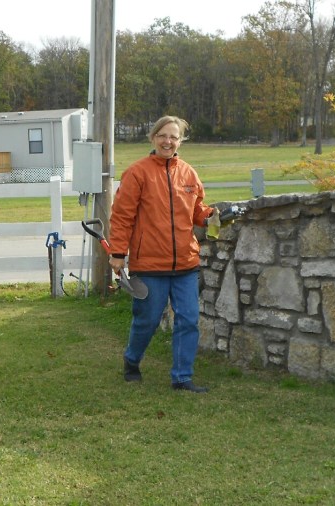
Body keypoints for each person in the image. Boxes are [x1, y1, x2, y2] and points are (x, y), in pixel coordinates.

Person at [108, 116, 215, 393]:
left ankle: (182, 377)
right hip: (150, 265)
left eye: (174, 137)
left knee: (189, 320)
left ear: (180, 141)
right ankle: (132, 360)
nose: (168, 141)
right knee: (148, 320)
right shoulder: (137, 173)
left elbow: (197, 211)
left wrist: (211, 216)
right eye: (163, 135)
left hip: (186, 264)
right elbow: (122, 217)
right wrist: (118, 253)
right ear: (153, 137)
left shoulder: (189, 174)